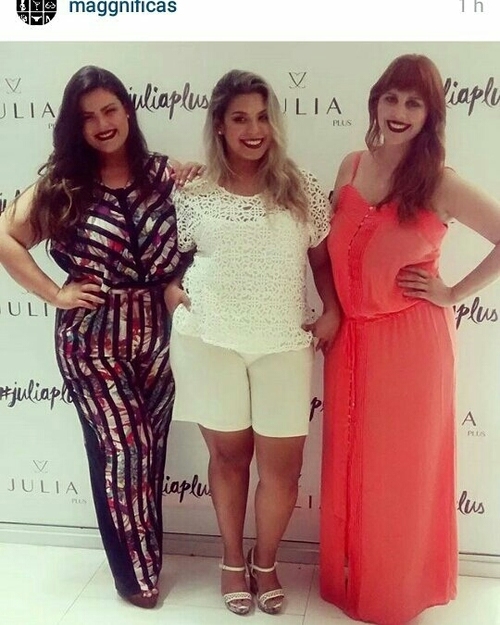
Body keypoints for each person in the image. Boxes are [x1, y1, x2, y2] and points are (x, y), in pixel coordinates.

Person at [0, 65, 198, 609]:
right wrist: (55, 292)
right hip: (91, 340)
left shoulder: (163, 176)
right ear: (76, 126)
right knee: (124, 448)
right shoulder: (64, 186)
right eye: (88, 117)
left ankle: (143, 559)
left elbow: (197, 238)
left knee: (150, 449)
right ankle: (135, 577)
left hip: (159, 337)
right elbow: (6, 237)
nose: (102, 123)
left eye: (110, 109)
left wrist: (177, 280)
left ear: (128, 111)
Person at [319, 54, 500, 625]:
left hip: (411, 346)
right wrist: (331, 309)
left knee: (400, 471)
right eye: (391, 98)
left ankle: (394, 591)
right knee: (351, 461)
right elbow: (328, 247)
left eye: (413, 103)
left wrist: (452, 292)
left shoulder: (440, 182)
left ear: (430, 115)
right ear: (376, 101)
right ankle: (353, 577)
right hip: (351, 340)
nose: (399, 111)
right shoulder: (351, 165)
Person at [164, 69, 338, 616]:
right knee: (229, 457)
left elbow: (321, 261)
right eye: (240, 118)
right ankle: (232, 561)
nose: (254, 129)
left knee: (282, 467)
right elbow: (171, 258)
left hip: (283, 342)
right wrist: (170, 289)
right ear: (219, 125)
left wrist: (332, 308)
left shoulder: (301, 187)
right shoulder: (192, 191)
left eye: (262, 117)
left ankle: (266, 562)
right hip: (210, 339)